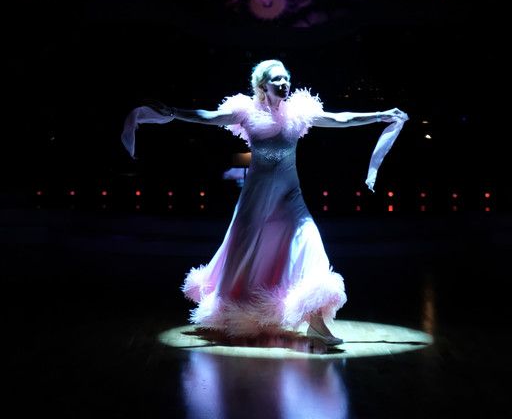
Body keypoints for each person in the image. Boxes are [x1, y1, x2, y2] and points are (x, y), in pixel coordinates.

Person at [121, 59, 408, 346]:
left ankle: (317, 324)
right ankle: (241, 311)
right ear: (263, 86)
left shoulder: (299, 112)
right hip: (256, 201)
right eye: (276, 80)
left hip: (290, 198)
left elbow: (339, 119)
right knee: (246, 259)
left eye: (286, 78)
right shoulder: (245, 112)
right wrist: (173, 112)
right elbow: (207, 117)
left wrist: (380, 115)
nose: (284, 84)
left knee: (311, 246)